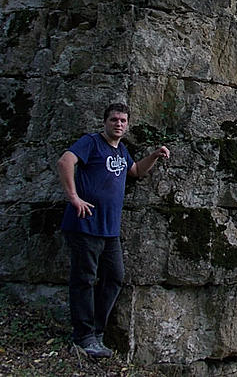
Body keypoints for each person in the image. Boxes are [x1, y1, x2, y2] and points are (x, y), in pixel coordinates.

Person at [57, 102, 170, 359]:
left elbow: (136, 172)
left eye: (123, 121)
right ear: (105, 122)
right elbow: (65, 161)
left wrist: (154, 155)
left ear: (127, 125)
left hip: (109, 231)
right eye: (114, 120)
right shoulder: (91, 142)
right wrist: (73, 197)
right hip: (84, 225)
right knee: (84, 279)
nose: (118, 124)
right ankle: (83, 336)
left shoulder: (121, 152)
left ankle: (96, 333)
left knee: (115, 277)